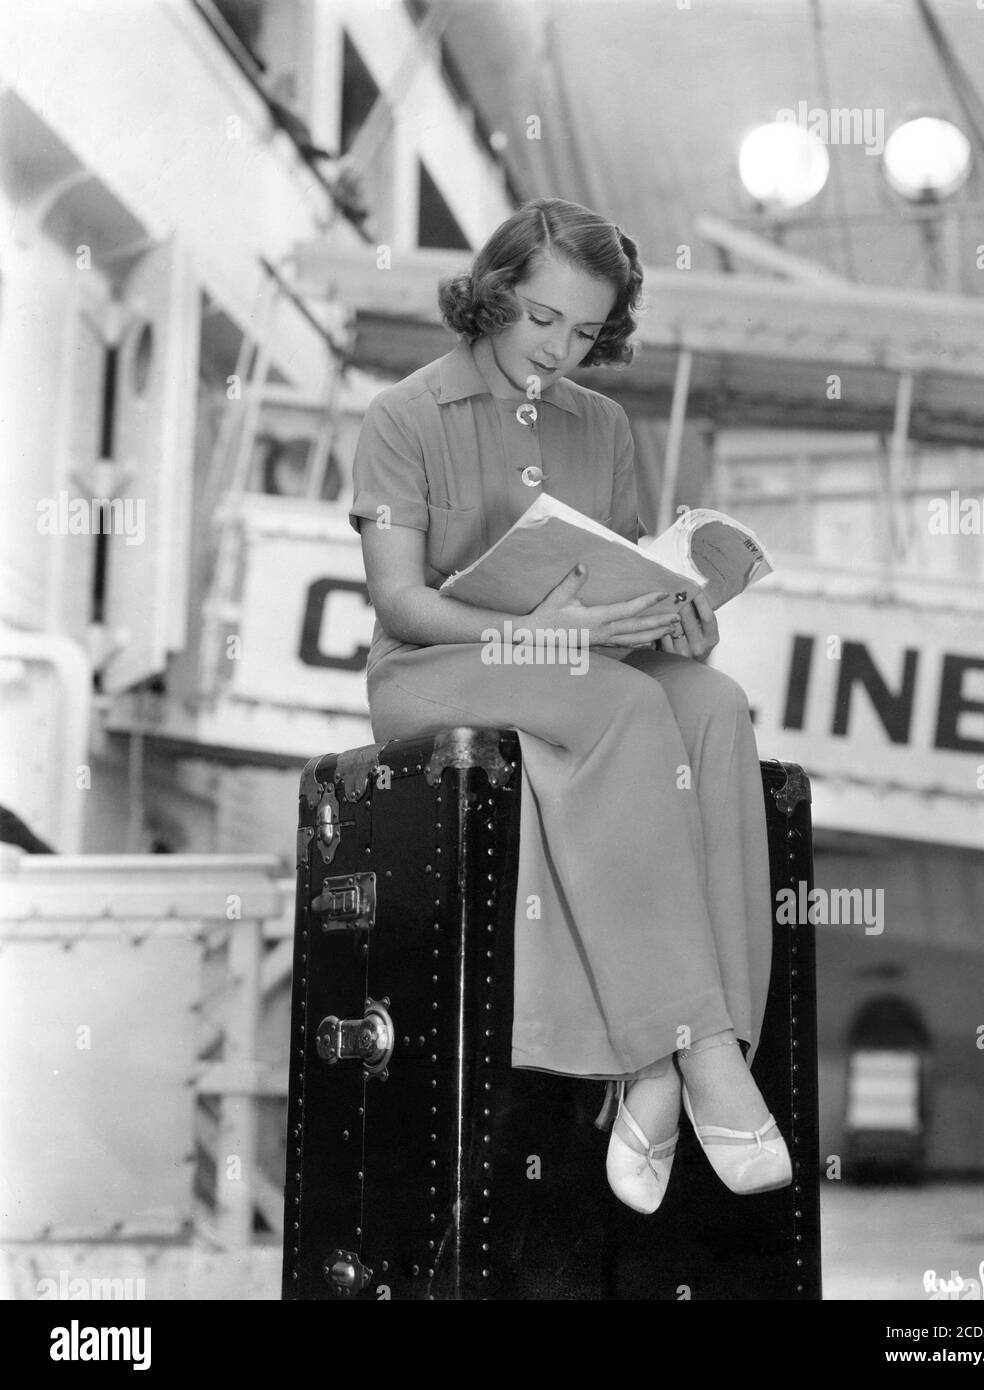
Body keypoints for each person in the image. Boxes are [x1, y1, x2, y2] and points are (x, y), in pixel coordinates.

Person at [350, 197, 791, 1213]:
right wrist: (548, 632)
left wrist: (675, 616)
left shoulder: (603, 424)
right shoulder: (402, 415)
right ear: (493, 294)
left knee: (714, 706)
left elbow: (623, 580)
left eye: (586, 331)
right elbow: (399, 602)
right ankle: (701, 1052)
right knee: (623, 711)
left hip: (576, 660)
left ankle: (655, 1066)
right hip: (434, 667)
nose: (559, 349)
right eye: (542, 320)